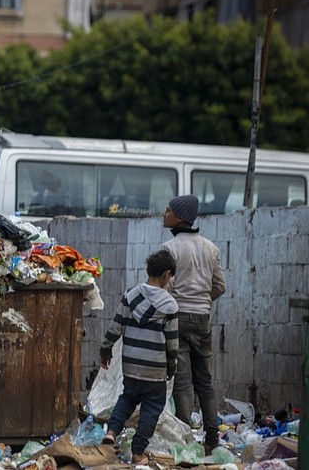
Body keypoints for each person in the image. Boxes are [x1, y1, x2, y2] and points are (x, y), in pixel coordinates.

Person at [99, 249, 179, 465]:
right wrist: (172, 366)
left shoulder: (130, 295)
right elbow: (172, 342)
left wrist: (105, 349)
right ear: (166, 274)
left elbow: (115, 327)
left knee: (128, 398)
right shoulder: (170, 305)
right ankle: (137, 452)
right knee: (152, 407)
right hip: (154, 368)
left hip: (131, 365)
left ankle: (112, 432)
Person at [161, 194, 226, 453]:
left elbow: (166, 287)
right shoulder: (210, 248)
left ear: (180, 218)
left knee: (182, 382)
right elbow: (219, 286)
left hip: (178, 319)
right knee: (205, 381)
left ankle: (186, 440)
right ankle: (212, 438)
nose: (164, 214)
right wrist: (203, 302)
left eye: (168, 210)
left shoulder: (170, 249)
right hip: (202, 320)